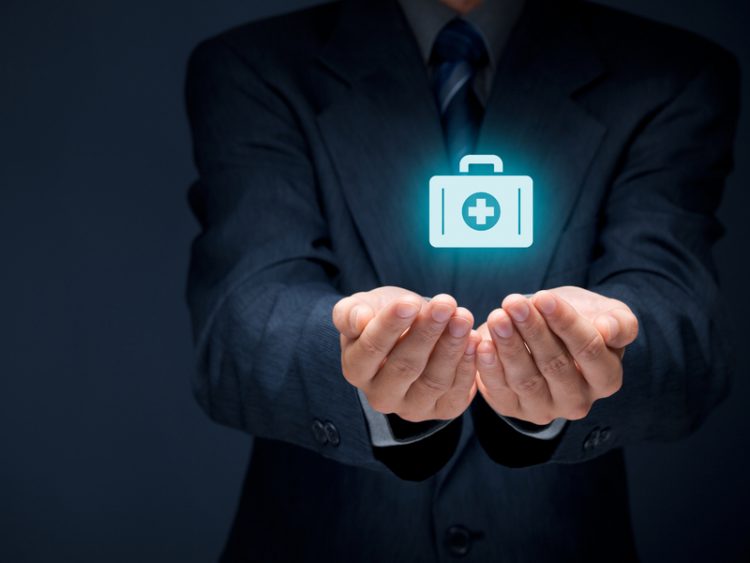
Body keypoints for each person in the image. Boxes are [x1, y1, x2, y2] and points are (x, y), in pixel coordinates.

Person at [185, 0, 739, 560]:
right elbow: (243, 323)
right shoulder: (253, 67)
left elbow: (680, 329)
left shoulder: (671, 75)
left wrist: (598, 341)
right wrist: (363, 357)